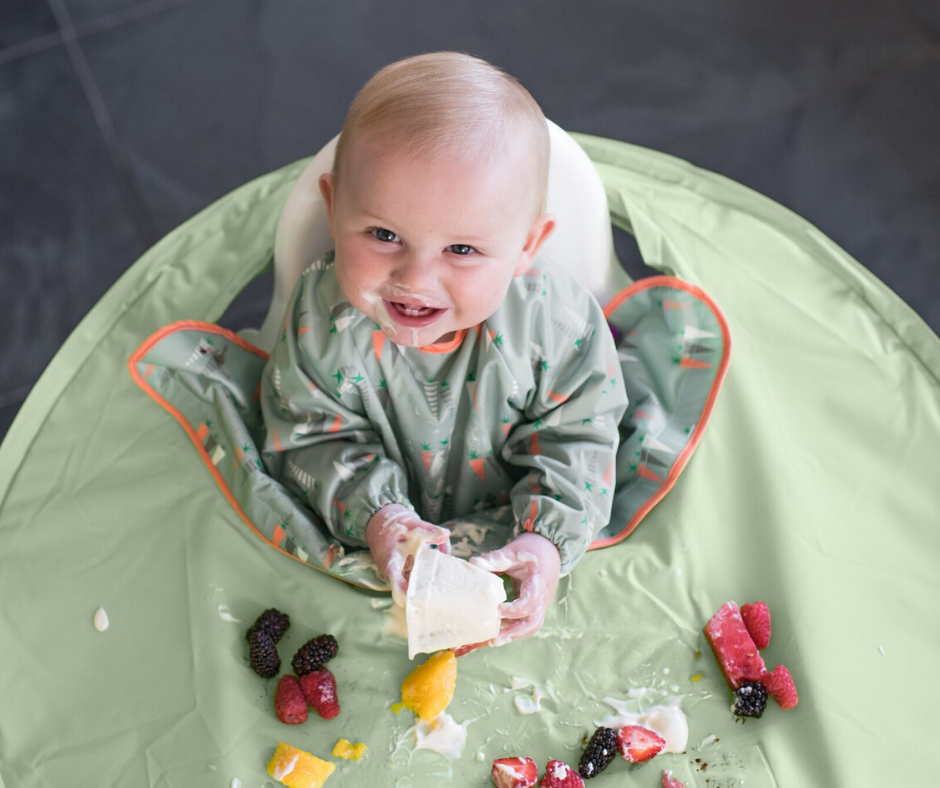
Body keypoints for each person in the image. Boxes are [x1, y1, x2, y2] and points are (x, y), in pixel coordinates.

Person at [260, 51, 628, 646]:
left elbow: (580, 436)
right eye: (384, 235)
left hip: (512, 522)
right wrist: (379, 515)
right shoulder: (320, 324)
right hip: (380, 529)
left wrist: (546, 539)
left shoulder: (556, 326)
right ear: (333, 210)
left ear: (528, 246)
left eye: (461, 250)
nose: (416, 277)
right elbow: (308, 433)